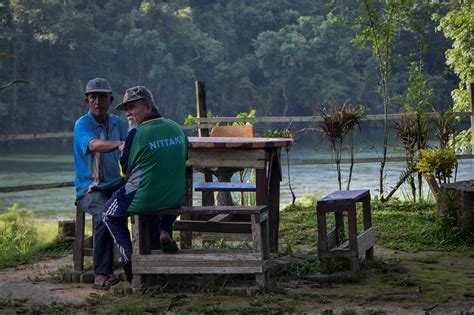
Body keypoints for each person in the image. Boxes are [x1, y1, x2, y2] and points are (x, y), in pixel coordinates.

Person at [102, 86, 188, 282]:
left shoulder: (136, 134)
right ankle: (165, 230)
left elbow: (124, 171)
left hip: (145, 197)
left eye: (133, 107)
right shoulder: (176, 128)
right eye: (126, 109)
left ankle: (129, 260)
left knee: (108, 214)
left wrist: (129, 140)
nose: (129, 113)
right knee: (163, 192)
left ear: (148, 107)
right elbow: (183, 159)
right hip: (174, 197)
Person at [73, 77, 127, 290]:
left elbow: (127, 155)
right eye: (93, 97)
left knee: (146, 202)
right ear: (87, 101)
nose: (98, 101)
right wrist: (120, 145)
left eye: (102, 97)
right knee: (106, 215)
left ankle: (145, 261)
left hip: (115, 184)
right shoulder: (82, 124)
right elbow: (93, 145)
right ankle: (101, 273)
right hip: (89, 189)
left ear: (110, 100)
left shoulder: (118, 123)